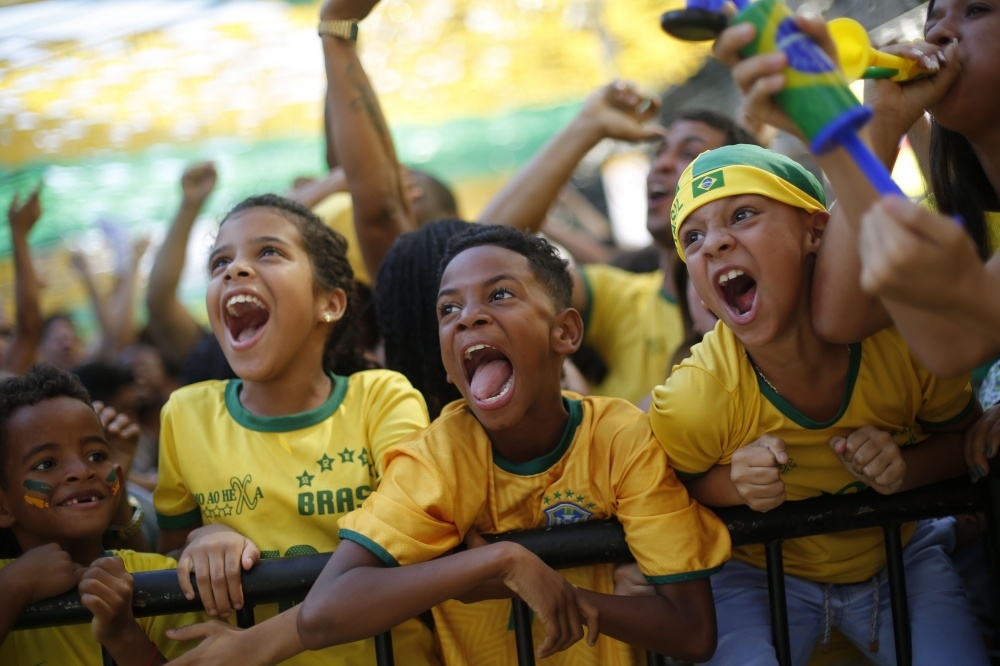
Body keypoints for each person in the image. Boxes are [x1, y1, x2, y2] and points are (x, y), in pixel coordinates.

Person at [295, 224, 731, 665]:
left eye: (500, 294)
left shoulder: (619, 437)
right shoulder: (438, 457)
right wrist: (501, 562)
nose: (467, 317)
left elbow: (693, 632)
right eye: (448, 309)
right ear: (448, 363)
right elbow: (321, 614)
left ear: (565, 332)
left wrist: (555, 592)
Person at [651, 144, 988, 665]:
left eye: (742, 215)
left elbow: (968, 442)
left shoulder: (905, 340)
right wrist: (732, 485)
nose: (714, 243)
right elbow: (668, 493)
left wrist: (906, 468)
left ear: (817, 232)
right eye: (692, 238)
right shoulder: (693, 397)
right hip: (758, 577)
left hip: (903, 557)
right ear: (699, 290)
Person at [153, 194, 438, 665]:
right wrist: (200, 540)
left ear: (330, 303)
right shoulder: (184, 415)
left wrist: (260, 644)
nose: (234, 269)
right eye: (220, 262)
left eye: (268, 251)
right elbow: (167, 560)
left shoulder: (382, 398)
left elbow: (410, 540)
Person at [480, 83, 758, 404]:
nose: (661, 164)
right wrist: (588, 126)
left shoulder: (774, 306)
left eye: (688, 154)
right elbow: (483, 256)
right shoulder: (623, 297)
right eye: (659, 151)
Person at [0, 364, 206, 665]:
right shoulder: (6, 582)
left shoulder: (157, 576)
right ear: (3, 506)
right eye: (46, 464)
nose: (81, 471)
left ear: (118, 479)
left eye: (96, 456)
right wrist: (14, 588)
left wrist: (122, 635)